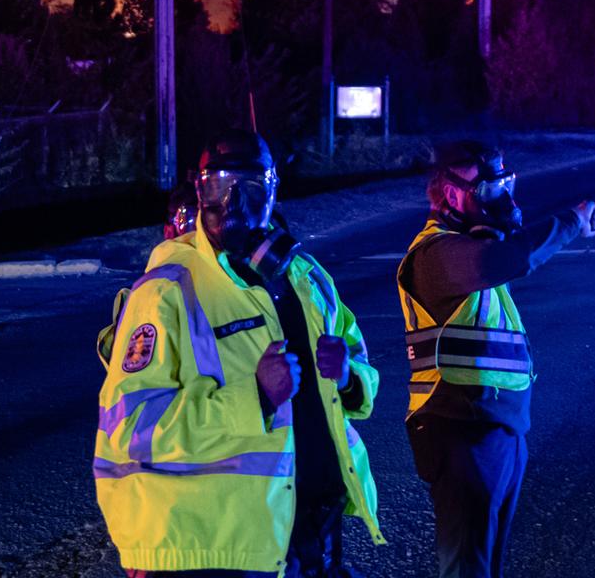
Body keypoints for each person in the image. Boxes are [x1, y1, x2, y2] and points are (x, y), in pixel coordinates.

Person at [95, 130, 385, 577]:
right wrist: (256, 399)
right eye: (219, 185)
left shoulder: (306, 277)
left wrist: (348, 378)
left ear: (273, 190)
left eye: (250, 186)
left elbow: (359, 361)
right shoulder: (166, 291)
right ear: (198, 190)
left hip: (312, 529)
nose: (234, 202)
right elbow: (129, 426)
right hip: (219, 547)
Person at [397, 141, 595, 578]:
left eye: (505, 183)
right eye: (487, 188)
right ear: (452, 195)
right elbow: (507, 257)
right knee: (466, 567)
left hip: (495, 429)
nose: (502, 196)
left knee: (485, 565)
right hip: (460, 430)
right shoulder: (438, 255)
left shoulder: (468, 250)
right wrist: (572, 221)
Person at [97, 181, 199, 371]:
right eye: (190, 221)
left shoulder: (224, 284)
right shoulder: (152, 297)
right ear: (168, 229)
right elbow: (138, 394)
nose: (196, 237)